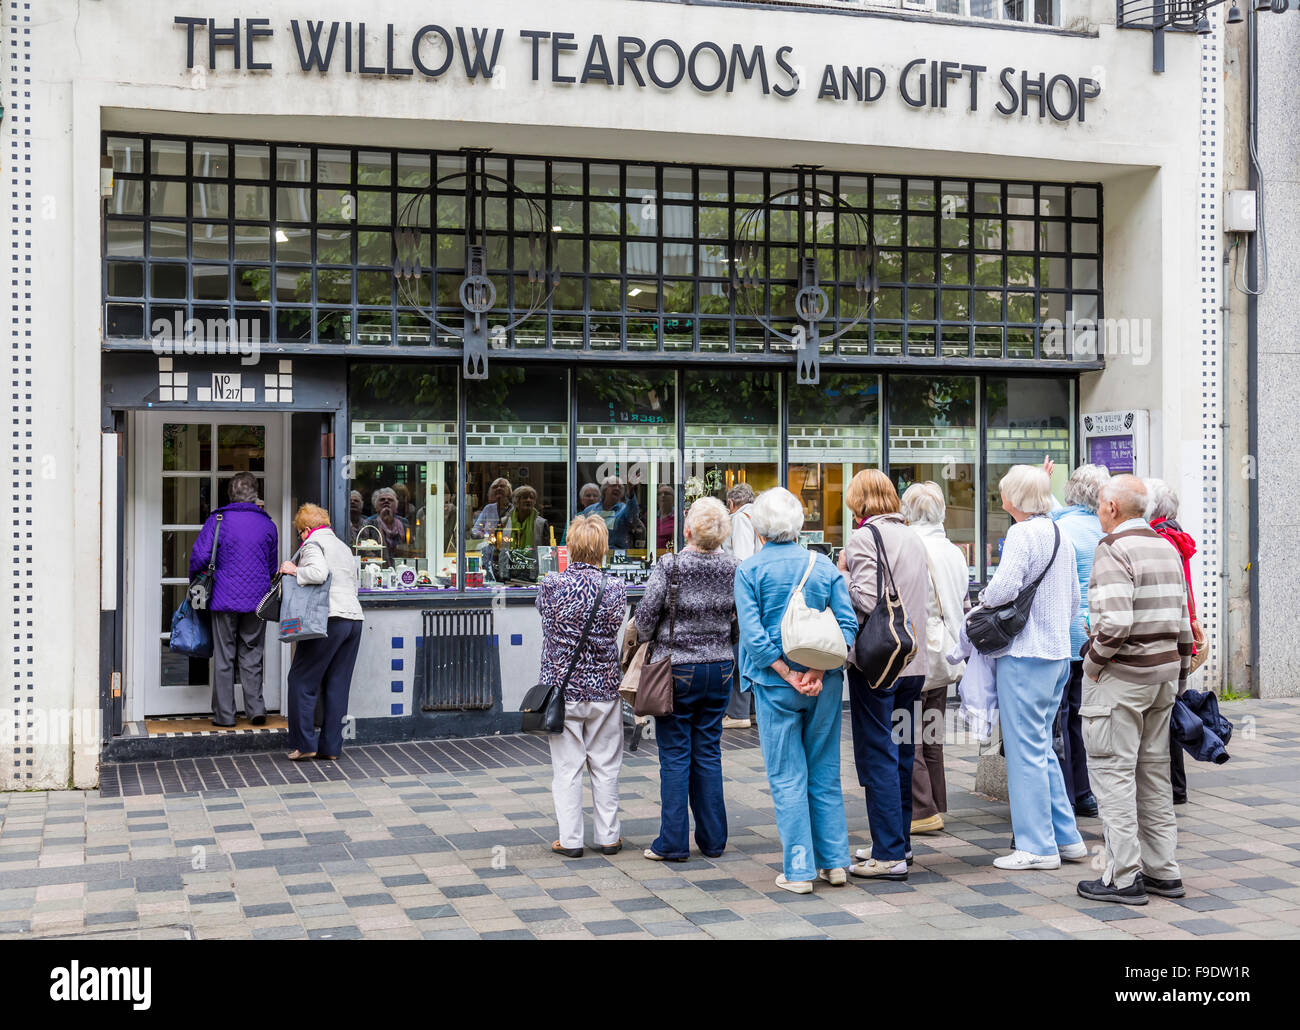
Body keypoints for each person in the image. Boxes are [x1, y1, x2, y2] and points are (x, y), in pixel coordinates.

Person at [1076, 475, 1192, 905]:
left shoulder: (1113, 549)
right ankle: (1164, 870)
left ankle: (1124, 877)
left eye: (1101, 506)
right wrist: (1178, 677)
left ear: (1111, 508)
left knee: (1113, 777)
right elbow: (1184, 624)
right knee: (1154, 777)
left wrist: (1091, 665)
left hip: (1122, 680)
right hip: (1161, 678)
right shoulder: (1165, 546)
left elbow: (1115, 624)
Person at [735, 487, 857, 894]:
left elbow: (753, 637)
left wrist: (788, 674)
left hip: (775, 685)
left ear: (757, 527)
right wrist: (819, 672)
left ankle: (800, 869)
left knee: (787, 775)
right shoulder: (822, 566)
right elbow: (847, 626)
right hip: (824, 683)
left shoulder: (750, 571)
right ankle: (835, 862)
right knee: (824, 771)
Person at [979, 465, 1085, 871]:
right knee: (1042, 748)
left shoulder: (1022, 534)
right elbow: (1074, 600)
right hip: (1058, 653)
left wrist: (982, 601)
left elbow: (1004, 588)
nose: (1000, 498)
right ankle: (1066, 836)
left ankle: (1037, 846)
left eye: (1003, 492)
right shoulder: (1061, 533)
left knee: (1024, 753)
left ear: (1013, 499)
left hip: (1025, 655)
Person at [839, 470, 931, 880]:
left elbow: (865, 599)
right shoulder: (913, 536)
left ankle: (889, 853)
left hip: (878, 663)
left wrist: (838, 571)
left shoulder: (863, 539)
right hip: (915, 660)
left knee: (878, 752)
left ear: (859, 501)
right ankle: (898, 842)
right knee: (904, 753)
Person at [634, 497, 738, 861]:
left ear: (688, 529)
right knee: (709, 751)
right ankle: (713, 841)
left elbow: (645, 622)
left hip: (676, 669)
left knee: (676, 755)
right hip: (721, 667)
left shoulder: (671, 565)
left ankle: (673, 843)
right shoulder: (734, 566)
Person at [537, 514, 629, 858]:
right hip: (604, 687)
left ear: (570, 548)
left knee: (567, 768)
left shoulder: (551, 584)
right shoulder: (617, 587)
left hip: (562, 691)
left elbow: (544, 617)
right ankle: (609, 837)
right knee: (606, 766)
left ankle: (571, 840)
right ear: (603, 549)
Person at [900, 481, 969, 836]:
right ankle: (936, 802)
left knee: (905, 730)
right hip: (948, 650)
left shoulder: (912, 547)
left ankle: (921, 809)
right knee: (932, 731)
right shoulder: (954, 550)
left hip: (918, 651)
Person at [188, 472, 278, 727]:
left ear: (230, 494)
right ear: (255, 494)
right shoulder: (268, 524)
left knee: (225, 655)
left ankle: (225, 715)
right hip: (257, 601)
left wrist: (194, 580)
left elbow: (199, 557)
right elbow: (272, 567)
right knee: (252, 653)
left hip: (223, 598)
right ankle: (256, 709)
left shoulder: (217, 520)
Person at [280, 503, 364, 761]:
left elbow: (318, 573)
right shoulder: (343, 546)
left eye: (299, 533)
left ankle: (304, 744)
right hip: (353, 619)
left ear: (305, 530)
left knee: (301, 680)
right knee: (337, 685)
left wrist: (293, 570)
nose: (300, 537)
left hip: (328, 618)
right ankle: (330, 748)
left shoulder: (312, 545)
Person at [1050, 463, 1111, 820]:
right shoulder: (1106, 530)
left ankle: (1066, 795)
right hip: (1097, 638)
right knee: (1084, 717)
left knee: (1059, 719)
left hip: (1064, 634)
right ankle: (1087, 792)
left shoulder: (1061, 528)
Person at [1144, 477, 1202, 806]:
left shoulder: (1160, 538)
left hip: (1169, 634)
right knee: (1172, 710)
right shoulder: (1176, 535)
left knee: (1167, 715)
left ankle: (1174, 787)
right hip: (1182, 632)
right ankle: (1176, 786)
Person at [722, 482, 758, 729]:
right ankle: (752, 710)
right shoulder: (761, 516)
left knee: (739, 653)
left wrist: (737, 600)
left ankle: (737, 713)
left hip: (745, 596)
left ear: (731, 504)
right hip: (760, 595)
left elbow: (742, 561)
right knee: (753, 651)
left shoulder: (740, 519)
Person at [582, 476, 641, 550]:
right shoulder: (590, 510)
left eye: (620, 487)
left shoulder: (624, 509)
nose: (617, 488)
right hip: (594, 554)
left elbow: (633, 516)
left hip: (616, 555)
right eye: (613, 485)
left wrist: (631, 494)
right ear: (605, 489)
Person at [365, 486, 409, 556]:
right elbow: (365, 549)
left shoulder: (404, 523)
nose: (386, 501)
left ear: (396, 506)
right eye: (382, 500)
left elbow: (409, 546)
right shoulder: (369, 523)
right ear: (375, 506)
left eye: (390, 500)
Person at [505, 485, 548, 551]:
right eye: (525, 497)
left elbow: (546, 549)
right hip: (508, 560)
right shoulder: (505, 521)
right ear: (516, 501)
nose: (528, 500)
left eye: (531, 498)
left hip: (533, 560)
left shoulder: (542, 523)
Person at [654, 484, 676, 551]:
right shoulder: (649, 517)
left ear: (673, 498)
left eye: (667, 493)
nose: (663, 496)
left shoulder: (678, 518)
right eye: (659, 494)